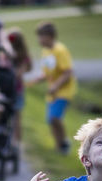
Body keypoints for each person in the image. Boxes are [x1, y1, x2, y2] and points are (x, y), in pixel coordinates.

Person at [28, 22, 77, 154]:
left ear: (50, 36)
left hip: (63, 91)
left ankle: (64, 143)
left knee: (55, 117)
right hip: (53, 91)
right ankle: (59, 146)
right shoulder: (46, 51)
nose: (39, 40)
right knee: (51, 119)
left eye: (41, 37)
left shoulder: (60, 50)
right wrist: (39, 78)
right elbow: (49, 71)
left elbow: (68, 72)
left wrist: (55, 86)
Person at [7, 28, 32, 147]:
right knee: (14, 116)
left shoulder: (22, 57)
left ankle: (16, 141)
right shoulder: (7, 54)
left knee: (16, 116)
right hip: (12, 89)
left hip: (15, 90)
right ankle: (13, 140)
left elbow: (20, 73)